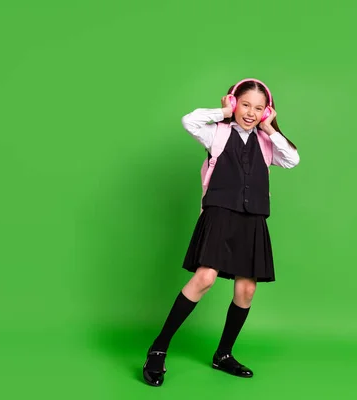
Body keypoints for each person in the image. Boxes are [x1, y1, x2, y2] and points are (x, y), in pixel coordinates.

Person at [142, 78, 300, 387]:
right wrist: (222, 112)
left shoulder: (267, 142)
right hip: (219, 215)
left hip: (252, 218)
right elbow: (189, 121)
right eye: (244, 105)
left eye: (258, 108)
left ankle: (223, 354)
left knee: (247, 289)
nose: (250, 113)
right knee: (205, 278)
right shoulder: (217, 133)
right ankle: (158, 348)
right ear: (233, 102)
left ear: (267, 111)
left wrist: (270, 128)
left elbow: (292, 159)